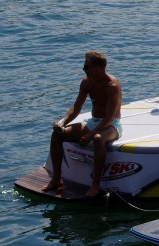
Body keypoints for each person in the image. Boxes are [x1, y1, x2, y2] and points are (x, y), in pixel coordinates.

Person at [44, 51, 123, 197]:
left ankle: (96, 185)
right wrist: (62, 123)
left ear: (97, 68)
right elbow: (76, 108)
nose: (83, 70)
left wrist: (90, 135)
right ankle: (56, 179)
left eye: (86, 67)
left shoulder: (112, 85)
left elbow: (109, 117)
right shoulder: (86, 82)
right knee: (57, 134)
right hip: (93, 122)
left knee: (98, 139)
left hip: (112, 124)